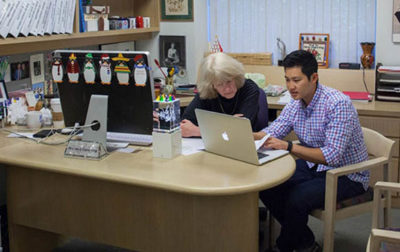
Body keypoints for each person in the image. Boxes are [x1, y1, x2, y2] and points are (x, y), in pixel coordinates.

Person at [255, 50, 368, 252]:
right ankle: (306, 242)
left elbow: (332, 156)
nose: (291, 86)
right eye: (287, 80)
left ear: (314, 77)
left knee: (297, 199)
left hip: (347, 174)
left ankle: (283, 246)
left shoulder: (337, 104)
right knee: (267, 185)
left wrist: (289, 146)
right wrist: (240, 132)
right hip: (314, 166)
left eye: (296, 80)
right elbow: (272, 132)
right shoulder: (295, 103)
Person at [181, 52, 261, 137]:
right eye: (220, 84)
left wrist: (198, 131)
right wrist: (228, 123)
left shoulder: (249, 89)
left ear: (236, 77)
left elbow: (240, 129)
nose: (227, 89)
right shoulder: (207, 91)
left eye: (229, 81)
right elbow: (185, 126)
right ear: (212, 85)